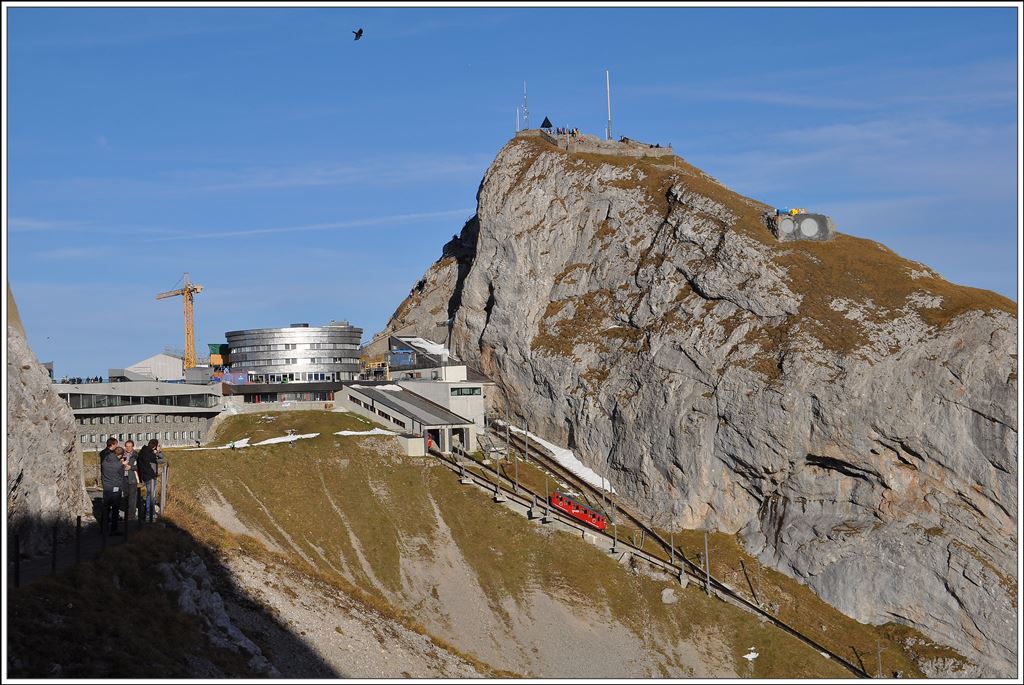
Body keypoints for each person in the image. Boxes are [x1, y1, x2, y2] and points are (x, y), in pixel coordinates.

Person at [99, 439, 124, 535]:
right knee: (115, 508)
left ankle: (103, 528)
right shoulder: (118, 465)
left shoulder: (104, 460)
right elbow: (120, 475)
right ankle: (114, 529)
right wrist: (121, 464)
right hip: (115, 487)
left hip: (106, 486)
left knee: (105, 508)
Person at [137, 439, 160, 520]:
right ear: (154, 446)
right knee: (151, 496)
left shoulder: (142, 452)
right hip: (150, 477)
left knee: (149, 495)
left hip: (144, 476)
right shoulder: (150, 454)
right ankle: (150, 513)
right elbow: (162, 460)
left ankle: (149, 513)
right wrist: (158, 453)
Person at [121, 440, 140, 521]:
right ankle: (126, 512)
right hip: (123, 477)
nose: (128, 448)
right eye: (127, 446)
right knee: (125, 495)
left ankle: (131, 513)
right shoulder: (122, 454)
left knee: (132, 496)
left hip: (132, 478)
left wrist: (131, 467)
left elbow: (140, 466)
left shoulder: (136, 455)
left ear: (133, 446)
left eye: (130, 446)